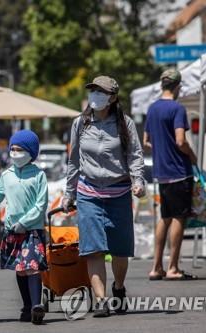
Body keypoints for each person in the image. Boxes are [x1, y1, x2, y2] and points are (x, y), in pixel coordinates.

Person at [62, 76, 145, 317]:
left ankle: (118, 288)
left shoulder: (124, 123)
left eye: (101, 91)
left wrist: (138, 181)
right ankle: (101, 301)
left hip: (118, 192)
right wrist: (69, 193)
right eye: (93, 90)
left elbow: (135, 155)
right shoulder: (80, 123)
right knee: (93, 249)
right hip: (88, 193)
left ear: (113, 97)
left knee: (120, 251)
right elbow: (74, 160)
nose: (95, 94)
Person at [0, 130, 48, 325]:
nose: (15, 153)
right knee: (21, 269)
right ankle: (26, 306)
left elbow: (41, 205)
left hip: (32, 230)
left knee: (32, 267)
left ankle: (36, 305)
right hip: (13, 231)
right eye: (12, 149)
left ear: (31, 152)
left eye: (19, 149)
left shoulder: (39, 175)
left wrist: (24, 222)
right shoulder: (6, 175)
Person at [144, 69, 199, 281]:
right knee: (179, 217)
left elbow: (146, 140)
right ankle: (173, 267)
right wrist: (192, 156)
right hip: (178, 171)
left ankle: (156, 267)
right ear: (177, 87)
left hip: (161, 173)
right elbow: (180, 141)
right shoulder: (176, 108)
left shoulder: (152, 108)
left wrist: (160, 147)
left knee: (165, 217)